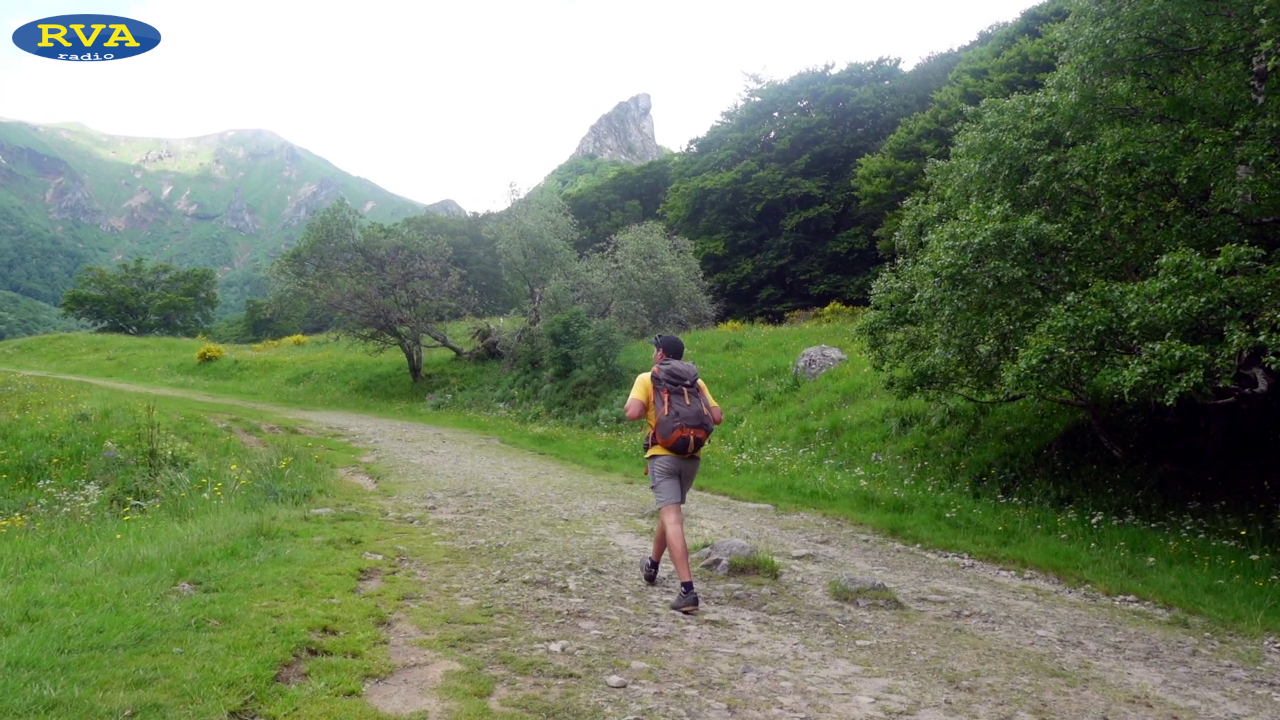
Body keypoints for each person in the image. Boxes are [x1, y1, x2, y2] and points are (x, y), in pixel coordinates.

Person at [624, 334, 724, 613]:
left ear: (660, 354)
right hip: (692, 458)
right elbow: (717, 417)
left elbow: (632, 413)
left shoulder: (647, 378)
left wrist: (647, 407)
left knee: (672, 519)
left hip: (663, 456)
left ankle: (687, 591)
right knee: (670, 513)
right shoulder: (696, 381)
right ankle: (652, 565)